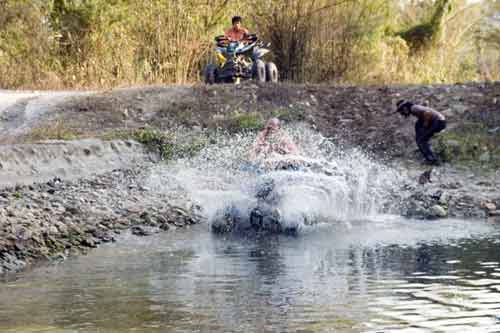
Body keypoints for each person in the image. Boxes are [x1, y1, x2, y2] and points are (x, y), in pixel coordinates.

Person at [396, 100, 447, 165]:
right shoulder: (415, 108)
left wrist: (425, 126)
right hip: (440, 121)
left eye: (401, 111)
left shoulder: (413, 108)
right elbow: (425, 108)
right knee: (418, 129)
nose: (402, 113)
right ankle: (430, 156)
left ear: (405, 108)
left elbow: (427, 113)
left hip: (439, 122)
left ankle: (432, 159)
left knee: (421, 140)